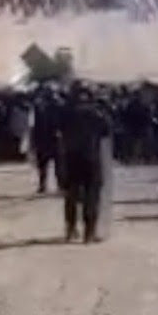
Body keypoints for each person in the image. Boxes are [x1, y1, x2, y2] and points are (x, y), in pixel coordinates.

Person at [59, 83, 112, 243]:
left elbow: (59, 130)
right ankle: (89, 232)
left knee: (71, 194)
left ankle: (70, 228)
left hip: (71, 157)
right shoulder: (96, 113)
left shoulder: (66, 112)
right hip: (91, 157)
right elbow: (107, 130)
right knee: (92, 195)